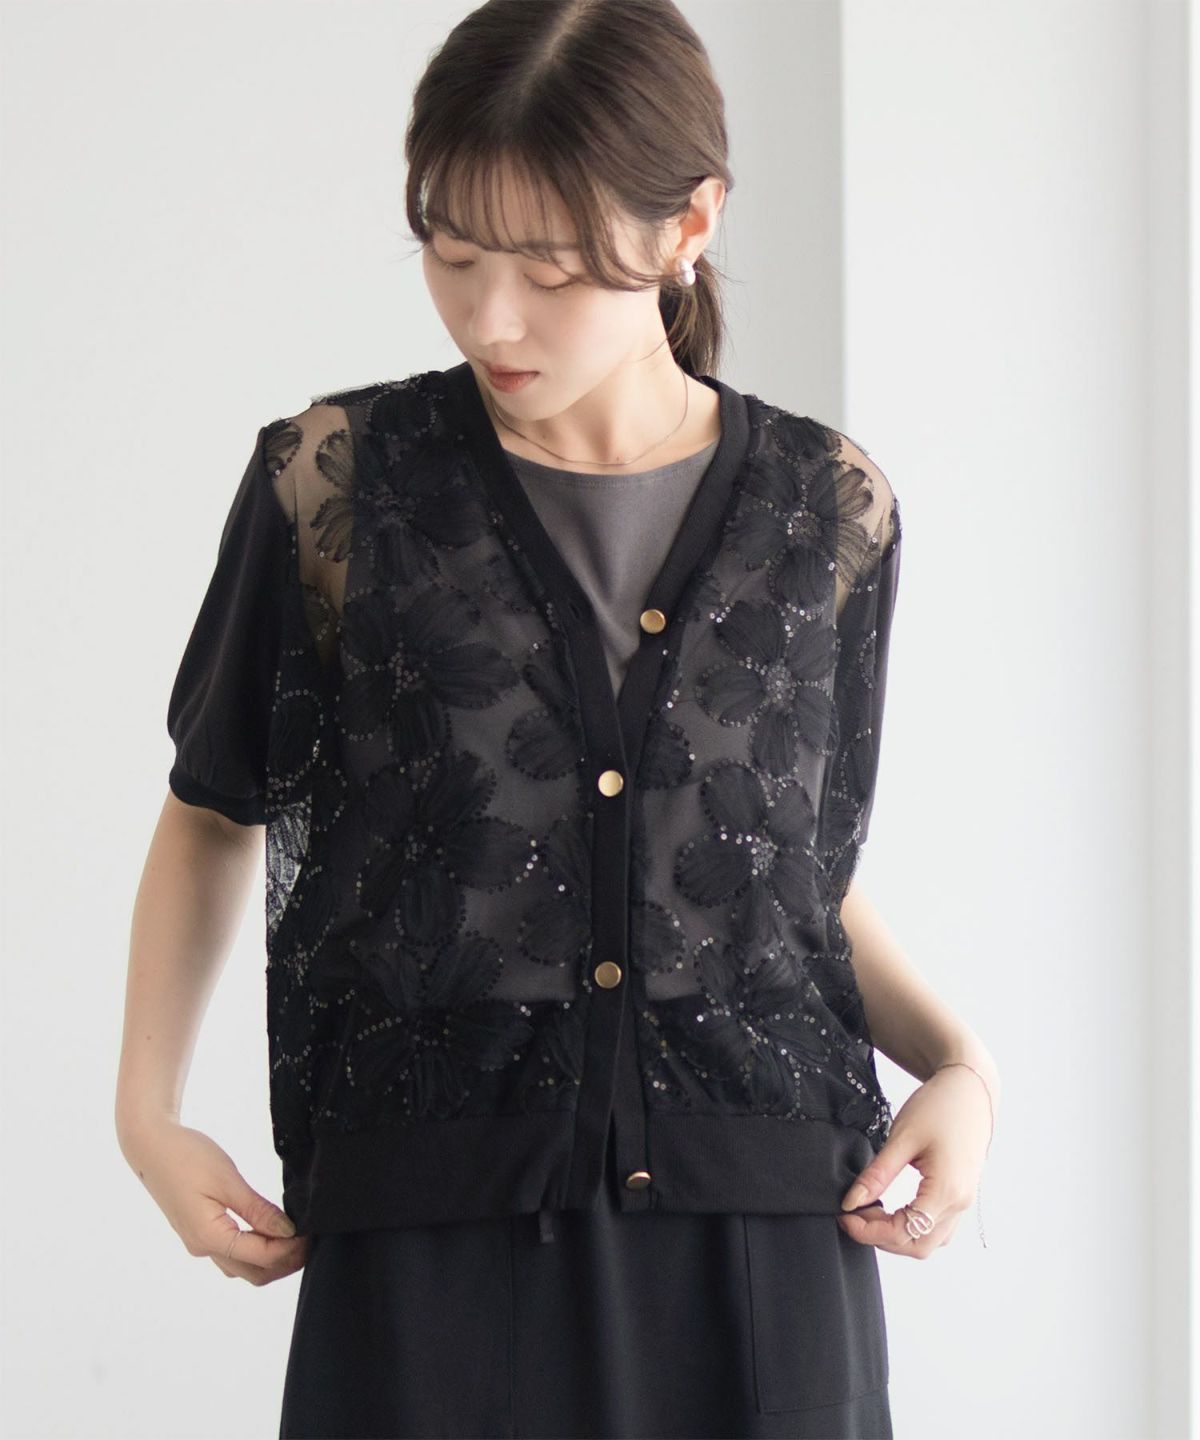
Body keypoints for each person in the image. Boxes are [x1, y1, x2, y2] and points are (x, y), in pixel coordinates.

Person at [115, 2, 1000, 1437]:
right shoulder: (338, 488)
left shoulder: (826, 512)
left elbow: (779, 878)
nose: (491, 318)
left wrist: (963, 1063)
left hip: (763, 1247)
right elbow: (215, 809)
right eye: (453, 255)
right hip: (431, 1238)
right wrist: (146, 1116)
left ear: (688, 224)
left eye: (549, 269)